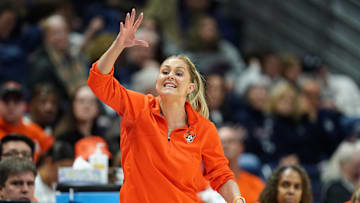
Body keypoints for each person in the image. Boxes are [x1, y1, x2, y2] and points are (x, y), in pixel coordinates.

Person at [87, 9, 245, 203]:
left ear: (190, 87)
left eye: (179, 73)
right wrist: (118, 45)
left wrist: (238, 200)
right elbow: (98, 82)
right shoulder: (138, 107)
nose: (170, 75)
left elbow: (221, 176)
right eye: (165, 71)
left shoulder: (204, 128)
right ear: (157, 82)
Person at [0, 81, 54, 160]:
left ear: (25, 105)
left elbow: (52, 151)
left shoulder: (34, 131)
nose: (11, 106)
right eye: (6, 101)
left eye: (16, 101)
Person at [218, 125, 264, 203]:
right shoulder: (204, 185)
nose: (225, 146)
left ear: (241, 147)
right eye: (220, 142)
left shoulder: (256, 183)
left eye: (230, 141)